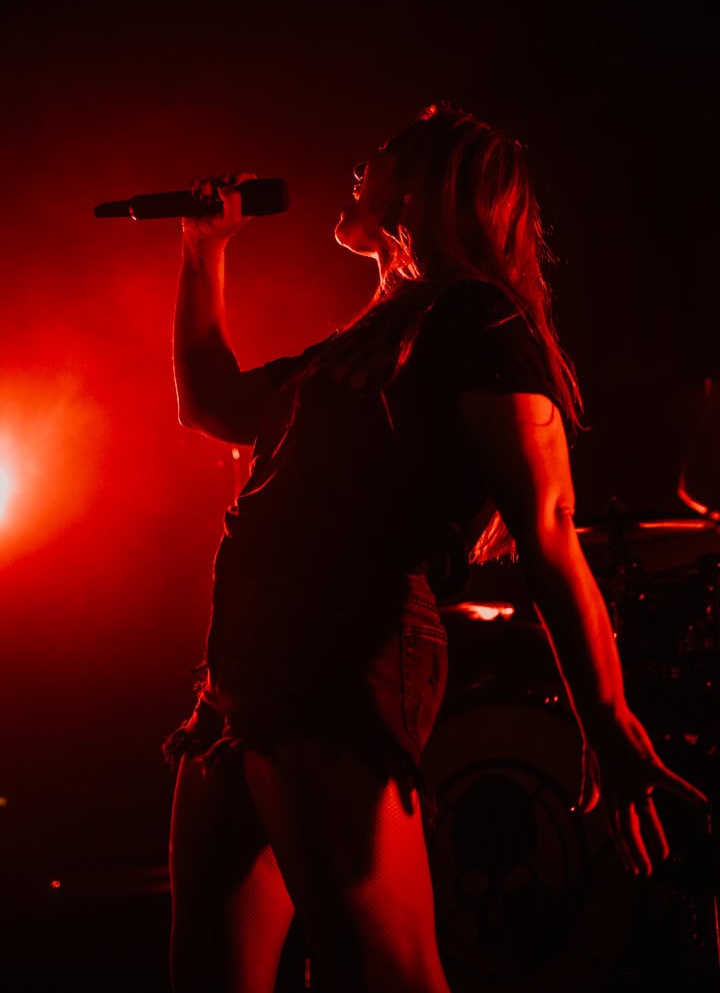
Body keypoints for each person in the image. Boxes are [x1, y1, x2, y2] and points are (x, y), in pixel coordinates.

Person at [162, 102, 709, 993]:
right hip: (241, 670)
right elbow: (211, 404)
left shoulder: (478, 323)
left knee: (384, 971)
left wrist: (608, 720)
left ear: (423, 187)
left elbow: (549, 532)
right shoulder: (366, 339)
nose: (356, 170)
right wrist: (202, 251)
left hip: (345, 654)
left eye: (379, 156)